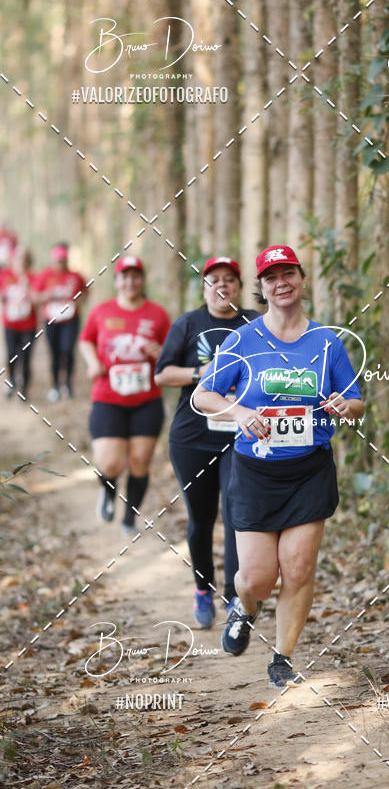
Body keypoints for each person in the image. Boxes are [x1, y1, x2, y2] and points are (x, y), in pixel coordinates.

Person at [192, 245, 364, 688]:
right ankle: (245, 608)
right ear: (262, 288)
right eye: (271, 277)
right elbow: (203, 395)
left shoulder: (327, 342)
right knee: (254, 578)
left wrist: (346, 406)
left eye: (288, 273)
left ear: (302, 279)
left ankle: (282, 658)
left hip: (309, 470)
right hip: (255, 471)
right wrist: (237, 412)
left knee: (299, 566)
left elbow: (357, 400)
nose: (280, 282)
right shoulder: (243, 340)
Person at [155, 256, 258, 628]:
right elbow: (162, 374)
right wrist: (206, 372)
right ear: (204, 288)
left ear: (239, 286)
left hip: (242, 434)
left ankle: (234, 597)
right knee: (201, 519)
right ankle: (203, 589)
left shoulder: (254, 324)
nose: (222, 286)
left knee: (235, 514)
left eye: (229, 279)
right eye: (214, 280)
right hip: (193, 437)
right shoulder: (188, 324)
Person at [78, 256, 170, 537]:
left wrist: (161, 353)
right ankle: (108, 494)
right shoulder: (102, 311)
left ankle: (130, 516)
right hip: (108, 397)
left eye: (135, 276)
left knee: (140, 461)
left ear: (142, 280)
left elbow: (172, 351)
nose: (130, 281)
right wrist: (92, 362)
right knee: (109, 463)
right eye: (124, 276)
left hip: (147, 399)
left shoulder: (157, 314)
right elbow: (86, 340)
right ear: (117, 281)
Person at [34, 243, 87, 401]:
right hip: (51, 319)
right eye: (57, 260)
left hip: (71, 319)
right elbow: (35, 297)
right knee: (55, 352)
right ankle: (55, 385)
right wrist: (47, 296)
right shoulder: (45, 275)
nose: (60, 263)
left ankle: (68, 385)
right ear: (53, 260)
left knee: (68, 350)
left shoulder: (76, 276)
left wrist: (78, 301)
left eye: (63, 260)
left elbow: (86, 292)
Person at [0, 246, 38, 397]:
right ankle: (11, 382)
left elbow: (37, 299)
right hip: (10, 324)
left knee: (26, 356)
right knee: (10, 354)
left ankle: (24, 388)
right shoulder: (4, 275)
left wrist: (27, 287)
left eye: (24, 257)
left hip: (29, 325)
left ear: (28, 260)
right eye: (18, 257)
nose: (20, 261)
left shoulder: (33, 277)